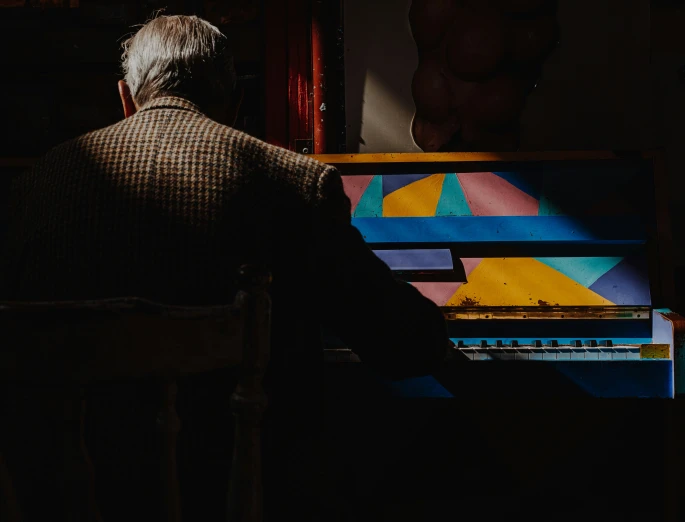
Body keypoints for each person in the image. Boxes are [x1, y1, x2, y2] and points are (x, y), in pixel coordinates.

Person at [0, 14, 453, 522]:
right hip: (241, 498)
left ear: (126, 98)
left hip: (74, 499)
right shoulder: (296, 185)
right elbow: (405, 345)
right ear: (236, 105)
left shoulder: (35, 188)